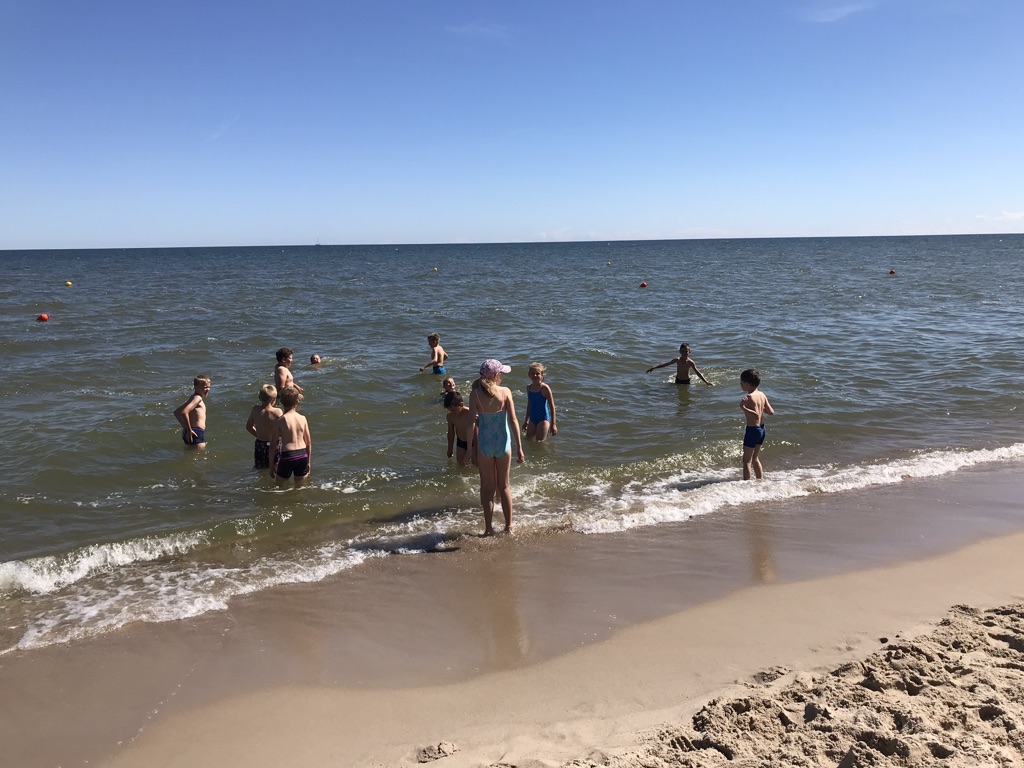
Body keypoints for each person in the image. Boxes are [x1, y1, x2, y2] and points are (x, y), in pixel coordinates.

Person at [467, 359, 524, 535]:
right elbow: (513, 420)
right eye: (501, 373)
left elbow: (470, 424)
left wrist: (469, 450)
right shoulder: (505, 392)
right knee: (504, 486)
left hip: (484, 445)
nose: (502, 376)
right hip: (503, 444)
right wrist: (520, 447)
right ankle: (508, 527)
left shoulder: (475, 395)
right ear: (496, 375)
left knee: (487, 488)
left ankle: (488, 529)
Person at [270, 387, 312, 486]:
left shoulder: (280, 420)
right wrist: (308, 462)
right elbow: (308, 442)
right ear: (297, 402)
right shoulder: (303, 418)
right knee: (300, 486)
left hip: (288, 456)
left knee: (280, 485)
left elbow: (273, 445)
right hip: (302, 455)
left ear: (281, 402)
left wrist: (271, 466)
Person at [740, 369, 774, 480]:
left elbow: (755, 416)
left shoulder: (750, 397)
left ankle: (747, 484)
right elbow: (771, 412)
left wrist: (743, 407)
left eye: (741, 382)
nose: (740, 384)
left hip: (753, 430)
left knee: (746, 460)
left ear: (747, 384)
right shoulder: (761, 394)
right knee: (755, 458)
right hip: (762, 429)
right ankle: (760, 480)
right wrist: (761, 408)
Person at [245, 384, 282, 470]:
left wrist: (258, 435)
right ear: (274, 399)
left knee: (260, 468)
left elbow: (249, 427)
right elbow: (283, 428)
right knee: (275, 467)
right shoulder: (277, 412)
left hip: (260, 444)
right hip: (273, 444)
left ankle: (261, 479)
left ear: (260, 398)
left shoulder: (255, 409)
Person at [646, 343, 714, 386]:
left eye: (686, 351)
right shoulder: (677, 360)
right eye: (682, 351)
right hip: (678, 380)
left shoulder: (690, 362)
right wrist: (654, 368)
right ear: (680, 352)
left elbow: (697, 372)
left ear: (689, 352)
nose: (684, 353)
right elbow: (666, 364)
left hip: (686, 381)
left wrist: (706, 382)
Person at [523, 362, 558, 441]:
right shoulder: (529, 388)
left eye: (537, 373)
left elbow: (552, 407)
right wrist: (526, 421)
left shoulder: (545, 388)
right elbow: (529, 405)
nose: (535, 375)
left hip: (543, 419)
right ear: (529, 374)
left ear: (542, 375)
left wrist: (553, 424)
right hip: (532, 418)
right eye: (532, 373)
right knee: (528, 440)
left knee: (540, 442)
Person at [174, 376, 211, 448]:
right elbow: (184, 412)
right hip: (196, 432)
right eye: (205, 387)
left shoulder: (193, 397)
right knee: (200, 454)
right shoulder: (198, 398)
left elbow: (176, 412)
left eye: (209, 387)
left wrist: (186, 428)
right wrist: (189, 430)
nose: (208, 389)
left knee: (189, 453)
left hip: (189, 431)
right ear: (196, 387)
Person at [444, 391, 473, 466]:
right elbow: (451, 432)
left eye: (453, 410)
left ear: (461, 405)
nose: (452, 412)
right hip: (461, 441)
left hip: (473, 441)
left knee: (476, 463)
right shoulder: (450, 416)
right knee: (461, 464)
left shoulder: (469, 413)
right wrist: (450, 448)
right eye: (449, 410)